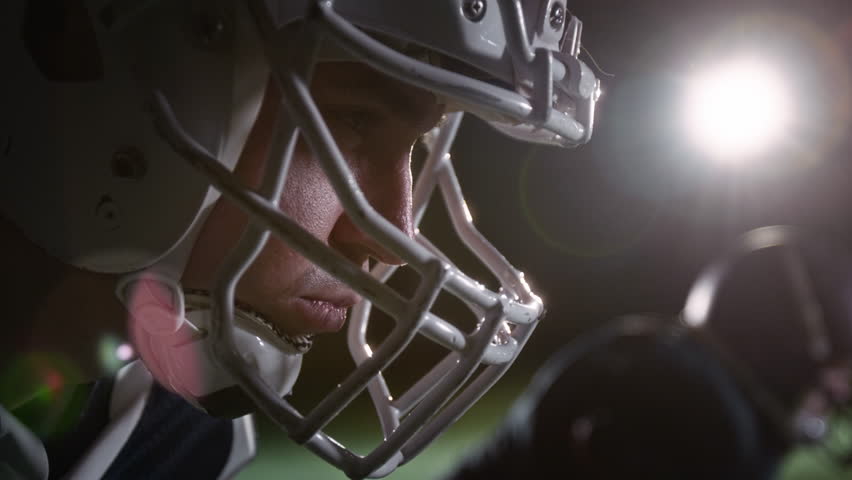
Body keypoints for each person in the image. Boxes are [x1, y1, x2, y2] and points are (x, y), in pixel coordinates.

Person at [0, 1, 600, 478]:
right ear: (132, 81)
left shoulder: (182, 440)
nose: (392, 238)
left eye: (416, 147)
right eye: (351, 123)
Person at [446, 225, 852, 480]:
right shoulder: (689, 402)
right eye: (835, 371)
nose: (838, 394)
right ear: (784, 342)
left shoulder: (680, 365)